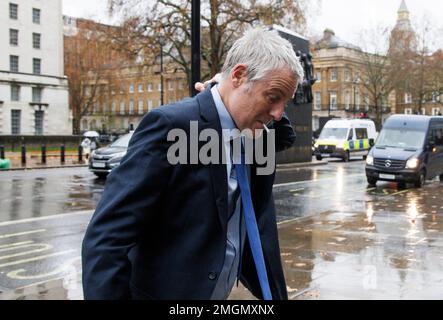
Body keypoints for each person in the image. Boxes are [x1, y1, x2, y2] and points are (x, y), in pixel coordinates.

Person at [82, 27, 304, 300]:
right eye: (272, 97)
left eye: (285, 102)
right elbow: (106, 238)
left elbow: (285, 135)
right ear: (238, 75)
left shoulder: (255, 133)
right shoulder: (173, 126)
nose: (278, 113)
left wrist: (225, 91)